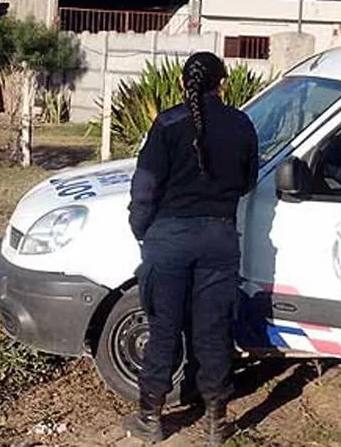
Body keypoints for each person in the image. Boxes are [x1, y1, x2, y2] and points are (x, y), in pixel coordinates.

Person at [124, 52, 259, 445]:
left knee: (163, 330)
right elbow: (248, 181)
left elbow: (145, 186)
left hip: (169, 240)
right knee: (214, 331)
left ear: (183, 84)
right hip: (219, 238)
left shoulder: (168, 123)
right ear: (223, 84)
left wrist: (141, 228)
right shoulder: (242, 124)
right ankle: (216, 422)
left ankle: (151, 418)